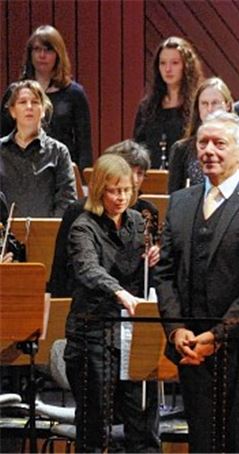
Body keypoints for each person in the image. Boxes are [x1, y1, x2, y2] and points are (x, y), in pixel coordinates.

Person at [154, 111, 239, 452]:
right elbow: (165, 273)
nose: (208, 151)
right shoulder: (181, 202)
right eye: (203, 143)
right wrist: (176, 329)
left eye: (219, 143)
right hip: (191, 349)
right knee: (202, 443)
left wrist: (217, 336)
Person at [64, 154, 161, 452]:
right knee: (95, 425)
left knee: (141, 420)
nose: (121, 198)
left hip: (130, 332)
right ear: (98, 191)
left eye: (126, 191)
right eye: (113, 191)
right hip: (92, 332)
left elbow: (142, 273)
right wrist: (118, 292)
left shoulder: (135, 221)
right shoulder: (83, 226)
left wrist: (155, 258)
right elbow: (88, 269)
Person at [48, 140, 160, 298]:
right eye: (129, 170)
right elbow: (65, 266)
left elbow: (148, 273)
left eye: (140, 173)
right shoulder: (79, 212)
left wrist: (154, 258)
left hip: (131, 300)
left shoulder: (146, 213)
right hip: (90, 297)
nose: (134, 178)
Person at [1, 25, 93, 168]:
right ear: (30, 54)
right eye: (37, 49)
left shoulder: (74, 93)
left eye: (48, 50)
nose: (42, 55)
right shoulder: (15, 92)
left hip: (60, 168)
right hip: (20, 168)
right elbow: (3, 135)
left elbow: (84, 145)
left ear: (58, 55)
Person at [0, 79, 76, 217]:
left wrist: (49, 231)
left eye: (35, 102)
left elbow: (66, 200)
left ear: (43, 110)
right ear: (12, 111)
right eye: (22, 102)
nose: (29, 107)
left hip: (46, 235)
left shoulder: (59, 152)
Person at [133, 37, 204, 169]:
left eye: (175, 63)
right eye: (163, 63)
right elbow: (138, 146)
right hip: (152, 178)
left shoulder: (198, 104)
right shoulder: (148, 107)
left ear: (186, 66)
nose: (168, 69)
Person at [168, 77, 234, 192]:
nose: (209, 109)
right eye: (204, 103)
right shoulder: (181, 149)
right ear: (197, 108)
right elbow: (174, 196)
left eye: (215, 103)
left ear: (227, 106)